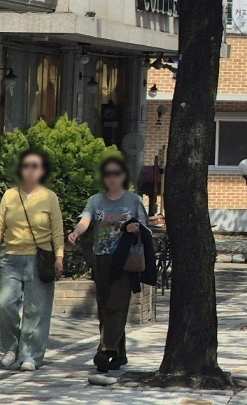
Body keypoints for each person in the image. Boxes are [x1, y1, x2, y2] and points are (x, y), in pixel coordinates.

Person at [67, 156, 150, 374]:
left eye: (116, 173)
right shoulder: (96, 200)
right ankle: (120, 354)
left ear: (123, 176)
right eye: (108, 174)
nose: (112, 178)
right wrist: (76, 232)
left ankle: (105, 350)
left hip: (126, 259)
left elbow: (144, 228)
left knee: (116, 304)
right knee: (105, 307)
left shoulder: (133, 201)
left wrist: (135, 229)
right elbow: (86, 219)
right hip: (101, 258)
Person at [0, 148, 63, 372]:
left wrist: (59, 257)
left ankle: (31, 356)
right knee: (3, 303)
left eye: (35, 166)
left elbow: (57, 231)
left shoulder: (49, 197)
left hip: (40, 259)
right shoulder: (10, 195)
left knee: (36, 310)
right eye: (26, 166)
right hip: (11, 258)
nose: (30, 170)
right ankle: (12, 346)